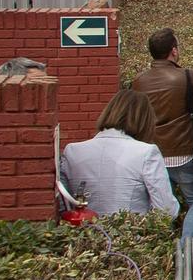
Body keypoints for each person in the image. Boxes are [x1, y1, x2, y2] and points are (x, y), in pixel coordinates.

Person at [132, 27, 193, 236]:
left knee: (161, 205)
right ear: (174, 51)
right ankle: (185, 247)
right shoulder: (188, 76)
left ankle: (164, 247)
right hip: (186, 150)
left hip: (152, 153)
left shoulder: (138, 81)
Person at [59, 88, 181, 217]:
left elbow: (63, 205)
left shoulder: (72, 151)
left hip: (80, 232)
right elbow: (167, 210)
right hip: (131, 233)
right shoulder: (147, 152)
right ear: (145, 121)